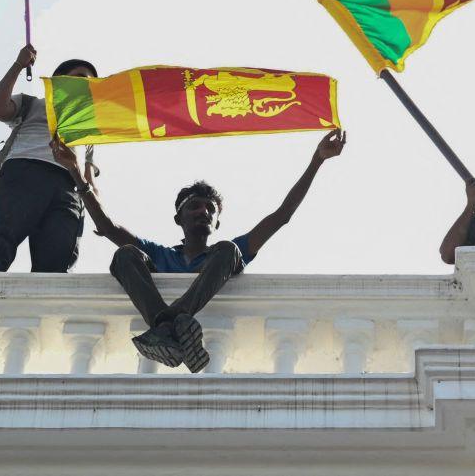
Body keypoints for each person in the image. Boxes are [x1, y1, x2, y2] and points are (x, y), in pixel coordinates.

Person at [51, 129, 347, 372]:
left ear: (217, 221)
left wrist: (316, 161)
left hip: (218, 268)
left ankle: (166, 328)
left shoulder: (223, 254)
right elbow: (108, 227)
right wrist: (76, 173)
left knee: (230, 251)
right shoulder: (160, 255)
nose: (203, 211)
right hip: (160, 278)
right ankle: (172, 327)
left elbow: (281, 215)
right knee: (125, 254)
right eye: (194, 206)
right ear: (178, 218)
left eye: (210, 209)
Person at [0, 44, 98, 273]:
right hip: (24, 173)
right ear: (59, 81)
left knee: (57, 267)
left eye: (91, 82)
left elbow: (90, 180)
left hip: (69, 189)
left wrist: (97, 211)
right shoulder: (32, 104)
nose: (87, 85)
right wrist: (18, 65)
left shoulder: (91, 129)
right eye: (80, 78)